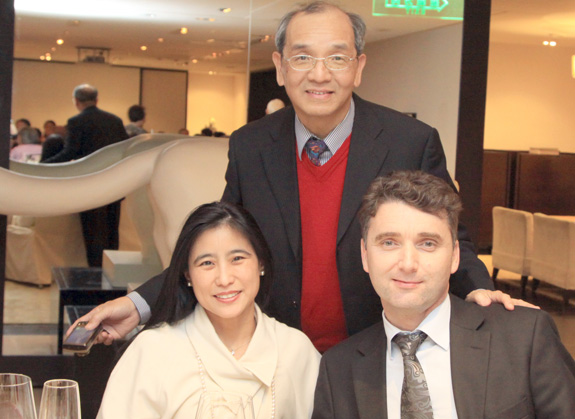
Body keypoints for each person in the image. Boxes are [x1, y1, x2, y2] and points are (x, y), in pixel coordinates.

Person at [75, 1, 525, 352]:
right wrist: (138, 304)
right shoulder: (251, 146)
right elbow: (216, 244)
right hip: (279, 353)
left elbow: (449, 236)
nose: (319, 74)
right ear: (280, 65)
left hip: (379, 353)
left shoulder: (410, 141)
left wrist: (480, 290)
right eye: (303, 57)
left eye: (337, 58)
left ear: (358, 67)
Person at [312, 171, 575, 419]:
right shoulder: (338, 370)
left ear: (455, 256)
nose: (408, 263)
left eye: (427, 243)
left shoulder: (524, 339)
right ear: (365, 255)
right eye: (389, 243)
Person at [96, 201, 320, 419]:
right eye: (207, 263)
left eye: (237, 259)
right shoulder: (152, 351)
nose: (224, 279)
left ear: (261, 263)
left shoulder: (295, 352)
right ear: (187, 274)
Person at [43, 84, 129, 266]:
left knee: (93, 233)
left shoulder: (76, 121)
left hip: (90, 183)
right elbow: (126, 149)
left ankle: (96, 272)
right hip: (115, 182)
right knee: (112, 231)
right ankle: (111, 271)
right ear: (97, 100)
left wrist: (44, 166)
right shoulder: (115, 120)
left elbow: (70, 152)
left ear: (76, 101)